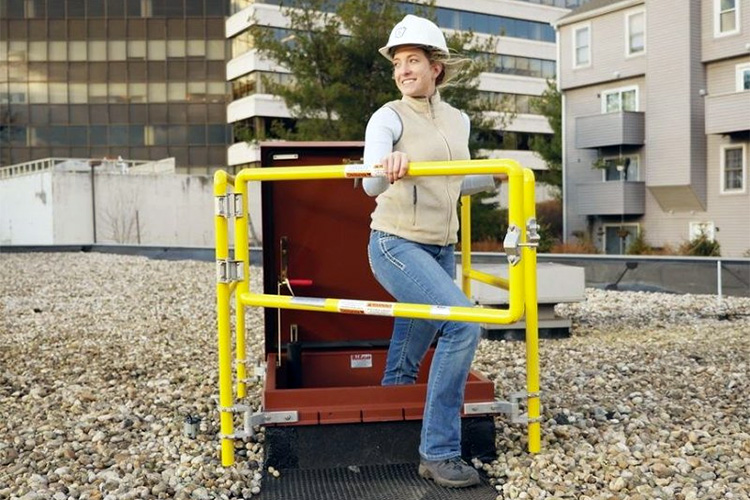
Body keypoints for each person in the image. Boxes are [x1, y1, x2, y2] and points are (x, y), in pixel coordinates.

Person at [362, 14, 501, 489]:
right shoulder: (388, 117)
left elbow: (456, 179)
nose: (404, 70)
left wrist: (500, 173)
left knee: (410, 349)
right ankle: (438, 451)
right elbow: (369, 183)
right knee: (463, 323)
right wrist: (388, 164)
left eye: (413, 60)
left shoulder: (457, 120)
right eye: (398, 62)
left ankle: (389, 427)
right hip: (396, 243)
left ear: (436, 67)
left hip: (441, 249)